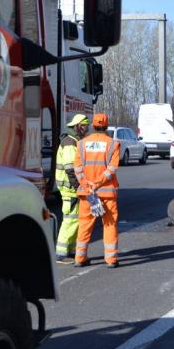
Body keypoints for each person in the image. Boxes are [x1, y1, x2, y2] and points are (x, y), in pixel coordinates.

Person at [74, 113, 122, 268]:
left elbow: (78, 169)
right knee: (109, 224)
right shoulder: (113, 144)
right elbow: (111, 169)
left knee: (84, 224)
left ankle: (80, 258)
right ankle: (111, 260)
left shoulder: (81, 144)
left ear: (93, 126)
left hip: (87, 193)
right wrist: (98, 183)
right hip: (106, 192)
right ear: (106, 126)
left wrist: (87, 184)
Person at [54, 113, 89, 263]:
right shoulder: (69, 142)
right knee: (70, 220)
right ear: (77, 126)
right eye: (84, 126)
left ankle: (71, 250)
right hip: (69, 188)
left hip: (71, 187)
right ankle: (61, 253)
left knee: (76, 220)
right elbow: (70, 168)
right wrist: (79, 186)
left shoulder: (74, 141)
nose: (86, 129)